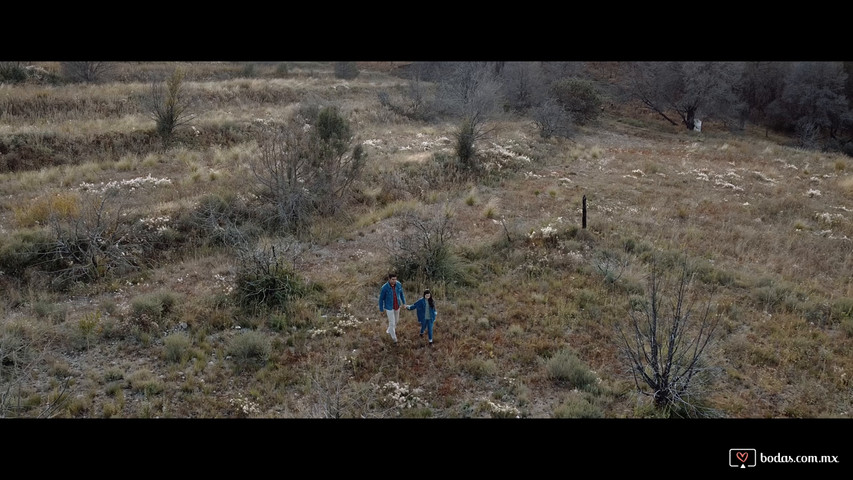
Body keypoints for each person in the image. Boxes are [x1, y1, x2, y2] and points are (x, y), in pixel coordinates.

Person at [378, 273, 406, 344]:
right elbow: (381, 299)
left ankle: (389, 330)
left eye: (395, 279)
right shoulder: (384, 287)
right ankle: (394, 339)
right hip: (389, 307)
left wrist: (404, 303)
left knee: (396, 321)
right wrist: (381, 309)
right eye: (393, 279)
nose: (394, 281)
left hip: (397, 306)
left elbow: (401, 294)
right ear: (389, 279)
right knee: (392, 323)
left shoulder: (398, 284)